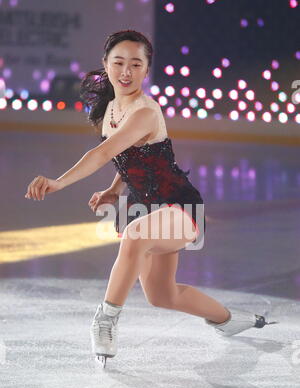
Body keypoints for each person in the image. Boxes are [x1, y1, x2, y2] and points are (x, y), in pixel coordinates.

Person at [25, 30, 269, 368]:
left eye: (135, 64)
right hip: (141, 206)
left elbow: (105, 151)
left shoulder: (145, 112)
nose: (126, 72)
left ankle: (105, 319)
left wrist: (59, 182)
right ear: (105, 65)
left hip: (178, 205)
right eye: (119, 63)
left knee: (135, 236)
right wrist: (114, 189)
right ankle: (231, 320)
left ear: (146, 69)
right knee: (162, 295)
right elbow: (126, 157)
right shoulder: (111, 107)